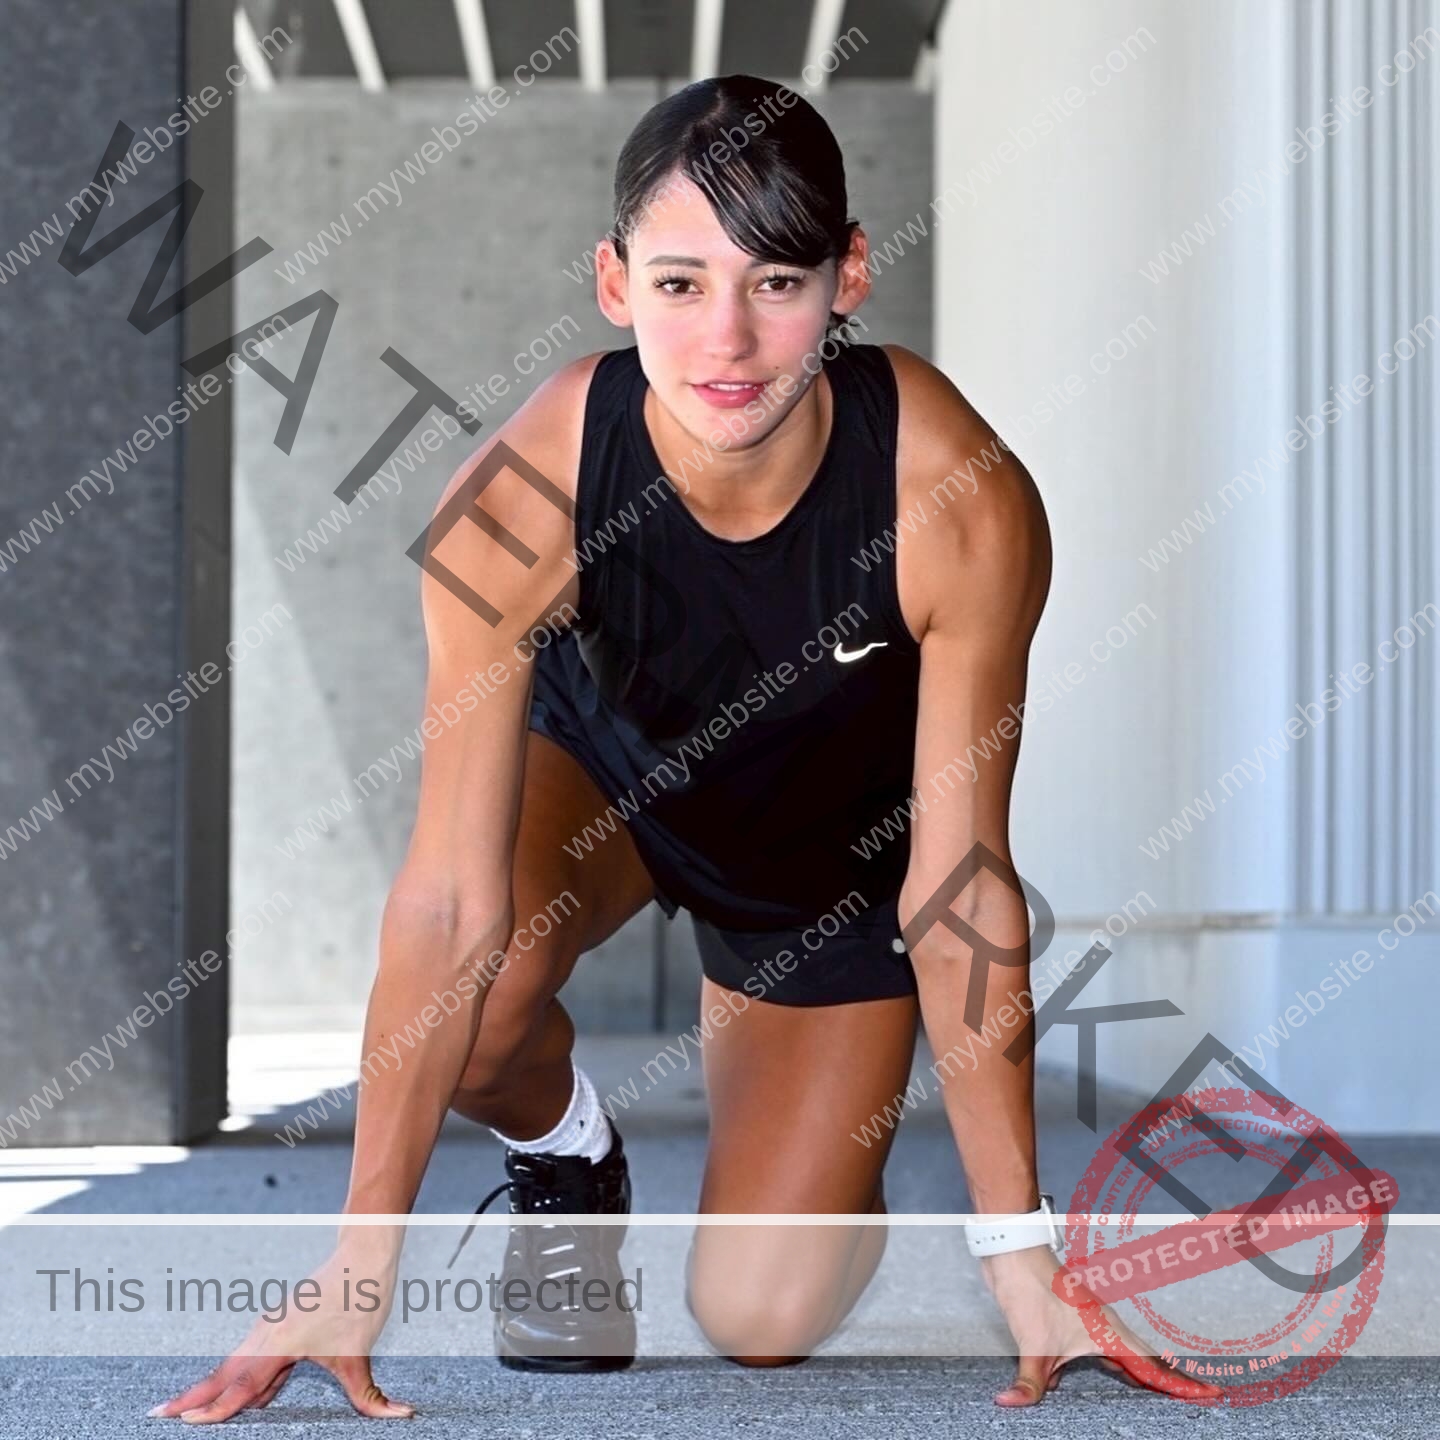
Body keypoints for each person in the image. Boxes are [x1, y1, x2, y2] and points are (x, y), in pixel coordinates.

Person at [151, 74, 1219, 1423]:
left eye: (776, 282)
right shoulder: (516, 497)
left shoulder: (959, 498)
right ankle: (566, 1153)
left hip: (826, 871)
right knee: (475, 1004)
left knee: (760, 1322)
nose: (727, 338)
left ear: (850, 277)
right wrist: (361, 1257)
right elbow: (446, 897)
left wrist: (1023, 1252)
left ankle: (816, 1113)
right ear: (611, 282)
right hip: (607, 787)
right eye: (678, 282)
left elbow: (965, 888)